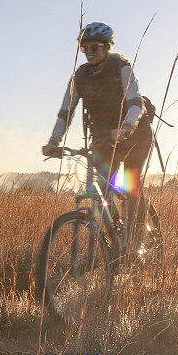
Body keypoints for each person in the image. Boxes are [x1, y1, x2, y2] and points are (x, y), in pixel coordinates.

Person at [42, 22, 151, 243]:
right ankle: (114, 238)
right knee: (102, 190)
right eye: (84, 48)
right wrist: (54, 141)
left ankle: (135, 245)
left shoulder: (122, 67)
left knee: (131, 188)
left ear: (107, 47)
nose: (89, 53)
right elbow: (66, 112)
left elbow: (135, 103)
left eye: (95, 47)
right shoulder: (80, 76)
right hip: (103, 139)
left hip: (136, 137)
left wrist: (126, 128)